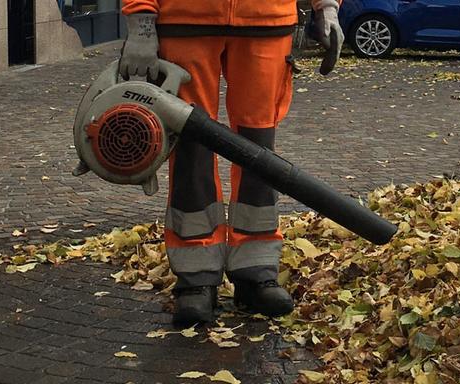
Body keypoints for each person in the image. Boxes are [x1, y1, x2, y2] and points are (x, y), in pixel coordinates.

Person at [118, 0, 344, 326]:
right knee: (190, 146)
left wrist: (327, 6)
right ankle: (196, 277)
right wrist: (140, 18)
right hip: (187, 16)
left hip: (263, 18)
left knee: (260, 150)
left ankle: (255, 269)